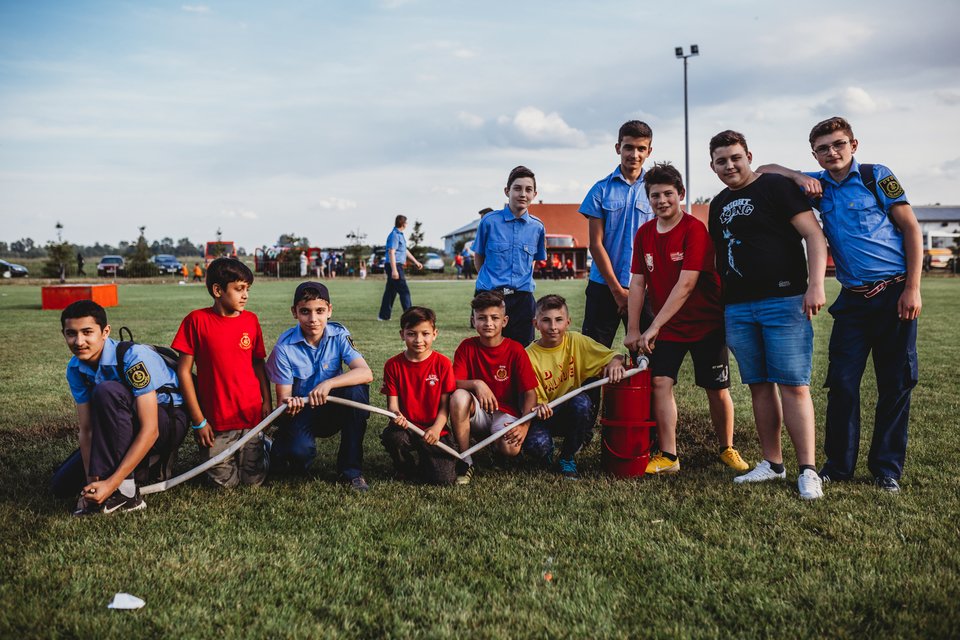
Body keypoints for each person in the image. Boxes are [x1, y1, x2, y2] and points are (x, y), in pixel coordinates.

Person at [757, 116, 922, 493]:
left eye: (838, 144)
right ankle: (839, 466)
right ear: (814, 154)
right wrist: (797, 176)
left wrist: (913, 288)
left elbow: (911, 228)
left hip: (894, 292)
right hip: (852, 301)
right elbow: (764, 170)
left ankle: (886, 469)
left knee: (894, 384)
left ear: (853, 145)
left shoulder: (876, 176)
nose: (832, 152)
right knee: (843, 383)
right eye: (823, 148)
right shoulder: (815, 187)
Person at [707, 130, 828, 500]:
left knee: (793, 384)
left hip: (784, 300)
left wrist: (816, 284)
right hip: (738, 307)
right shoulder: (718, 203)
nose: (730, 165)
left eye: (735, 157)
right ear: (712, 166)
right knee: (758, 385)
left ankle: (808, 470)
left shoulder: (775, 187)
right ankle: (773, 463)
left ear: (748, 156)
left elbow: (814, 235)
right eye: (721, 161)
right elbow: (719, 256)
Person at [623, 162, 747, 475]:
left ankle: (727, 447)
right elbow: (637, 283)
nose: (662, 200)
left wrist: (653, 325)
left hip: (706, 323)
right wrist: (634, 328)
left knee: (716, 388)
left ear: (681, 194)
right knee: (660, 382)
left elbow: (687, 284)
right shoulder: (644, 234)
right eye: (655, 195)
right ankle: (669, 455)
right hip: (669, 327)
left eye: (668, 193)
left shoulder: (694, 230)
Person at [61, 300, 188, 515]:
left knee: (108, 391)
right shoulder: (75, 368)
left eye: (87, 332)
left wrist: (111, 484)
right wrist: (92, 483)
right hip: (121, 426)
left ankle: (128, 494)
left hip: (166, 422)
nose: (79, 341)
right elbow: (88, 430)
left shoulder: (133, 357)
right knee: (62, 485)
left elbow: (151, 429)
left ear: (105, 332)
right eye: (71, 333)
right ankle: (130, 474)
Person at [171, 257, 271, 488]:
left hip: (250, 416)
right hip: (216, 420)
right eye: (239, 289)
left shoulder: (251, 320)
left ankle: (264, 447)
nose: (245, 295)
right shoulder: (196, 321)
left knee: (253, 482)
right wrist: (199, 421)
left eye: (247, 289)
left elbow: (258, 364)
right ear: (218, 290)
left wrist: (266, 400)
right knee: (224, 485)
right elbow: (184, 372)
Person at [266, 281, 373, 491]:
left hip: (333, 408)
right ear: (294, 312)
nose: (313, 319)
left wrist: (329, 383)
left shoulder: (339, 334)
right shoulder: (284, 347)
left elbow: (366, 373)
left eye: (320, 311)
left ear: (329, 311)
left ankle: (351, 471)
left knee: (356, 391)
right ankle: (279, 443)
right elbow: (283, 403)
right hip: (302, 413)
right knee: (297, 458)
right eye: (305, 311)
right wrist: (290, 405)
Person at [525, 295, 626, 479]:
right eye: (546, 320)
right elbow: (532, 400)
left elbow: (613, 355)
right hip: (541, 415)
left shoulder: (576, 341)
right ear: (535, 324)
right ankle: (547, 449)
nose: (553, 327)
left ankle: (567, 457)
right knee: (536, 446)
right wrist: (538, 406)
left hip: (568, 412)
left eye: (559, 320)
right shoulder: (528, 356)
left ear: (568, 322)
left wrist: (615, 361)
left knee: (582, 403)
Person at [579, 120, 656, 348]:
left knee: (649, 354)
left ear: (649, 151)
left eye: (641, 148)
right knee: (592, 356)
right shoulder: (600, 189)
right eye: (628, 147)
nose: (634, 154)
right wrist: (617, 291)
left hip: (645, 286)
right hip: (604, 286)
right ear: (617, 148)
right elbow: (595, 244)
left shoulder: (656, 190)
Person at [449, 291, 540, 484]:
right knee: (458, 396)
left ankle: (496, 446)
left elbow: (530, 393)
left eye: (494, 318)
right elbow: (452, 382)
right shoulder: (467, 347)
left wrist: (524, 426)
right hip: (477, 412)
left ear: (504, 321)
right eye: (482, 318)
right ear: (473, 321)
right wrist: (477, 383)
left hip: (505, 412)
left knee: (511, 449)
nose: (488, 323)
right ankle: (465, 459)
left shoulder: (515, 349)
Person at [380, 307, 458, 485]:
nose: (418, 340)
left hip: (435, 429)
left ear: (435, 334)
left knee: (443, 479)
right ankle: (404, 466)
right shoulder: (392, 365)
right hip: (407, 428)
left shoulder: (443, 364)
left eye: (425, 333)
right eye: (411, 334)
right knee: (394, 438)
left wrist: (436, 428)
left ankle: (427, 459)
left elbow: (445, 406)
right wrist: (396, 416)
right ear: (402, 334)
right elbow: (392, 406)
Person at [472, 166, 547, 346]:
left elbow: (532, 261)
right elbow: (479, 257)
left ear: (534, 194)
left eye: (528, 189)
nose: (523, 194)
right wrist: (490, 283)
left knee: (523, 350)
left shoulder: (537, 227)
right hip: (491, 296)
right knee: (490, 348)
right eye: (517, 188)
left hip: (522, 299)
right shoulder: (489, 222)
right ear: (507, 191)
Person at [378, 215, 423, 321]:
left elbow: (404, 250)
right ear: (403, 224)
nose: (407, 224)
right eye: (406, 222)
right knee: (404, 291)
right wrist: (394, 270)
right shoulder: (395, 235)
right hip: (395, 265)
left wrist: (416, 262)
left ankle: (383, 316)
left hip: (395, 265)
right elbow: (391, 252)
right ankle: (410, 317)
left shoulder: (400, 235)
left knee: (390, 292)